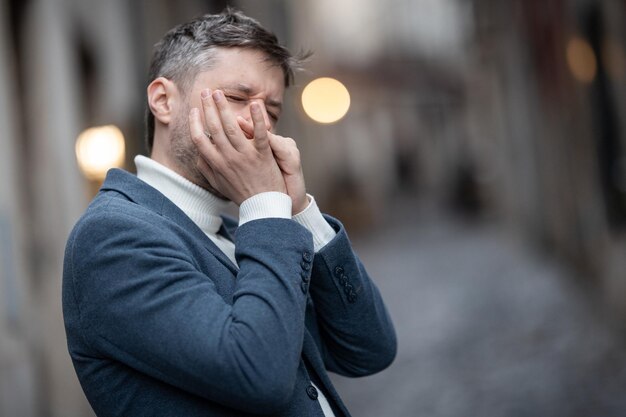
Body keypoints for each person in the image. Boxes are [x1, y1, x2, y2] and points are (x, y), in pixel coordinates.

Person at [63, 8, 396, 417]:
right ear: (163, 101)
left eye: (271, 112)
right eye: (238, 99)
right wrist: (265, 206)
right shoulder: (114, 236)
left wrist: (299, 211)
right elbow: (259, 374)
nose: (259, 127)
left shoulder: (251, 232)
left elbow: (369, 349)